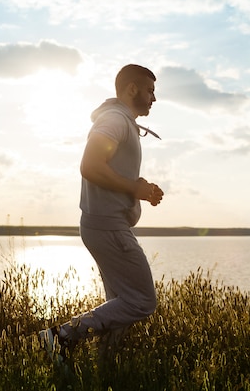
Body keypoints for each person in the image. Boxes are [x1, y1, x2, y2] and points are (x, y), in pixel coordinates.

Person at [40, 64, 164, 360]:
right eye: (150, 91)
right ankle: (59, 337)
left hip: (105, 224)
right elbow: (90, 166)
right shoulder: (114, 120)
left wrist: (140, 189)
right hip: (108, 226)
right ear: (132, 89)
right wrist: (133, 190)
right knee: (142, 301)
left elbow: (109, 172)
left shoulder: (121, 122)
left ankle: (105, 366)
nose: (154, 99)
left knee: (119, 303)